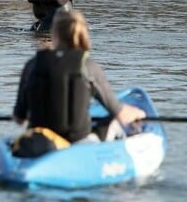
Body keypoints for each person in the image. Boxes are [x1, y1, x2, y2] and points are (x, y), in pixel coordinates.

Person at [11, 10, 146, 157]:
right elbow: (120, 114)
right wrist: (139, 113)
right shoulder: (88, 66)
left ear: (54, 33)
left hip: (39, 143)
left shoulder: (32, 65)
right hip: (79, 144)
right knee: (115, 123)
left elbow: (19, 118)